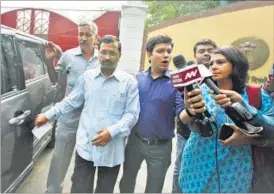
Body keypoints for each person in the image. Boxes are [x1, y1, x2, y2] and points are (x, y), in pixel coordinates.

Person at [35, 35, 140, 193]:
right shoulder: (88, 78)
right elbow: (71, 101)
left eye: (112, 53)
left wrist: (111, 132)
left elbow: (132, 114)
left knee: (104, 190)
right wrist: (48, 115)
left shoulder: (129, 82)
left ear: (119, 55)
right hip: (86, 147)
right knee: (80, 189)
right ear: (98, 53)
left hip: (111, 151)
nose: (107, 57)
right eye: (103, 52)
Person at [178, 46, 274, 193]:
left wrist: (246, 136)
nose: (214, 66)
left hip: (235, 167)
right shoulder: (200, 91)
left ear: (236, 65)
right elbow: (181, 121)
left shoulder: (255, 94)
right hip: (198, 163)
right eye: (211, 64)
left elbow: (270, 127)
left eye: (220, 62)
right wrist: (190, 111)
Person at [119, 34, 184, 193]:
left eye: (169, 51)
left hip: (160, 148)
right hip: (134, 142)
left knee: (154, 189)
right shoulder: (137, 79)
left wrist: (190, 111)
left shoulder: (177, 82)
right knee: (126, 182)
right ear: (149, 55)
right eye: (160, 51)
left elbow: (182, 112)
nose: (166, 55)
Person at [43, 21, 100, 193]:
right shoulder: (68, 56)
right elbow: (55, 81)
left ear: (95, 37)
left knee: (84, 165)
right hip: (69, 120)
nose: (83, 38)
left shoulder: (102, 59)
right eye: (80, 34)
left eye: (87, 34)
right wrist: (49, 62)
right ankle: (52, 190)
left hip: (91, 124)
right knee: (59, 161)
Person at [172, 39, 218, 193]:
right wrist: (191, 110)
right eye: (201, 51)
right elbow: (181, 113)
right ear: (195, 55)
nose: (206, 53)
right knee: (181, 171)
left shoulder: (220, 78)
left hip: (213, 138)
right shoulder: (184, 78)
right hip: (186, 135)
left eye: (210, 50)